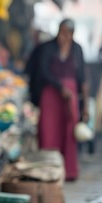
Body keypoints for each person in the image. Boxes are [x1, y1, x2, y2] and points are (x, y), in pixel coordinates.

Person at [34, 19, 88, 181]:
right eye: (61, 32)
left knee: (69, 131)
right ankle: (48, 170)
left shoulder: (77, 49)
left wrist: (84, 104)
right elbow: (43, 71)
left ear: (72, 34)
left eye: (67, 33)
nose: (63, 37)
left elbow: (82, 77)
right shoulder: (48, 47)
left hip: (70, 96)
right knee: (48, 129)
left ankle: (69, 172)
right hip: (51, 93)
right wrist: (59, 86)